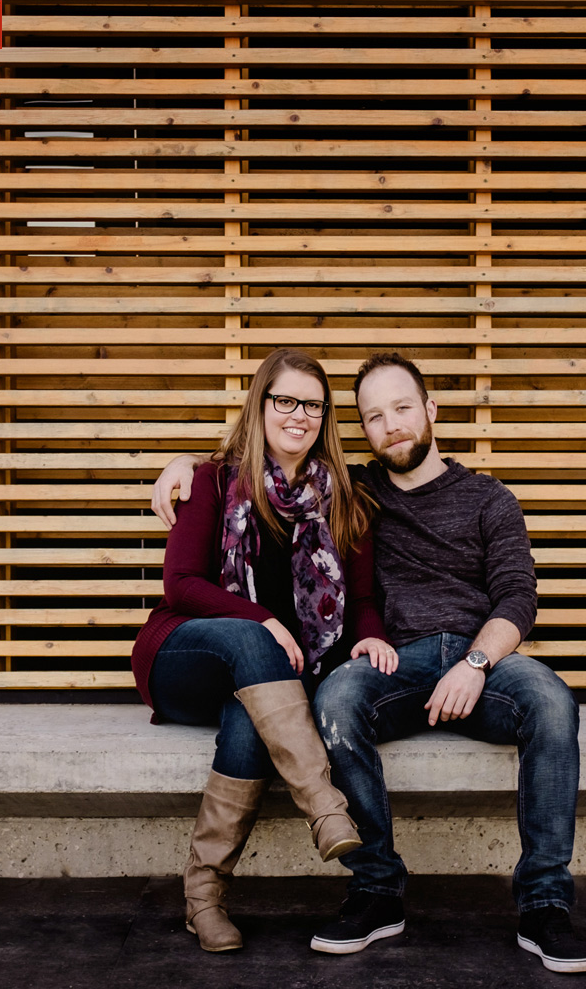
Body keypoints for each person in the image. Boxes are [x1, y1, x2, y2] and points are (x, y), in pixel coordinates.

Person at [151, 352, 586, 974]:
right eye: (374, 416)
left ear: (431, 411)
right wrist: (184, 469)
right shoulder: (352, 490)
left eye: (403, 408)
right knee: (334, 699)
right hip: (394, 665)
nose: (391, 425)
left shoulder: (485, 498)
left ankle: (546, 907)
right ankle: (376, 890)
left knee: (552, 700)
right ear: (361, 428)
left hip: (481, 660)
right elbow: (248, 479)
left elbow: (518, 597)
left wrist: (475, 661)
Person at [132, 348, 399, 953]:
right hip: (184, 655)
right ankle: (324, 807)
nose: (299, 415)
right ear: (261, 404)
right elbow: (181, 585)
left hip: (265, 682)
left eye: (313, 404)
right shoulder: (212, 481)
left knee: (250, 721)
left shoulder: (343, 498)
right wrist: (265, 622)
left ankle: (203, 899)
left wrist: (373, 634)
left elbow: (358, 600)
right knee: (255, 643)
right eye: (286, 400)